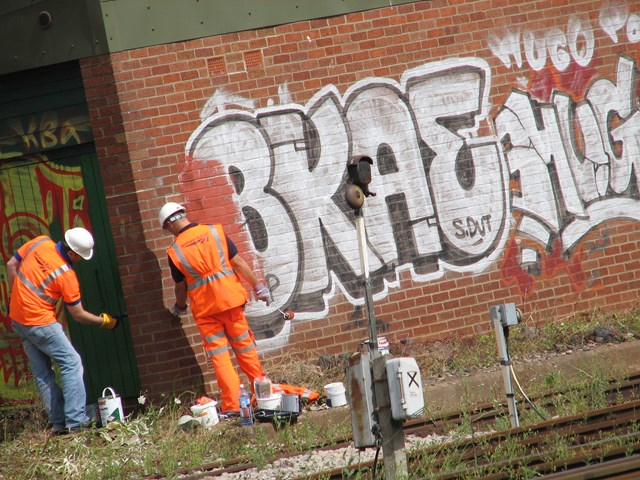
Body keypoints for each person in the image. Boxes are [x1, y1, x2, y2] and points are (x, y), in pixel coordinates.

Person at [159, 202, 271, 413]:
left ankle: (233, 404)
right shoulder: (214, 231)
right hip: (231, 303)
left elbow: (180, 287)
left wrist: (179, 307)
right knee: (246, 350)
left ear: (170, 226)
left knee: (220, 358)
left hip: (206, 312)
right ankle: (264, 395)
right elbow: (238, 262)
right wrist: (257, 286)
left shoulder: (175, 251)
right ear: (183, 214)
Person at [6, 227, 118, 435]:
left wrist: (17, 298)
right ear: (73, 253)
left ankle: (58, 424)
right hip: (40, 322)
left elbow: (11, 264)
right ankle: (76, 420)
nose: (80, 260)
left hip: (18, 319)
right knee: (71, 363)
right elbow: (78, 314)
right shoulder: (67, 275)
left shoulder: (40, 242)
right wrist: (104, 321)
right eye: (80, 257)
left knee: (43, 372)